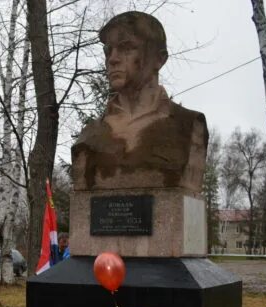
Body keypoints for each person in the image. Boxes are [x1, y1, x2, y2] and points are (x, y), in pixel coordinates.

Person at [71, 11, 206, 193]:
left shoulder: (189, 126)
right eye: (108, 51)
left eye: (126, 48)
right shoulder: (89, 136)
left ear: (159, 59)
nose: (112, 59)